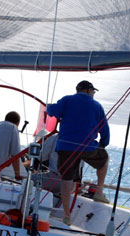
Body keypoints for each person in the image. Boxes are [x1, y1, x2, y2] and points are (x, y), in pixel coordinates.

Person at [47, 80, 110, 226]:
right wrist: (103, 144)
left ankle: (67, 215)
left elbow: (51, 111)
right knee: (104, 159)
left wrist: (51, 106)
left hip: (66, 146)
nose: (93, 94)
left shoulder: (67, 100)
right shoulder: (97, 106)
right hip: (87, 147)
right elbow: (105, 130)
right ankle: (99, 193)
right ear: (88, 90)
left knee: (66, 179)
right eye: (93, 91)